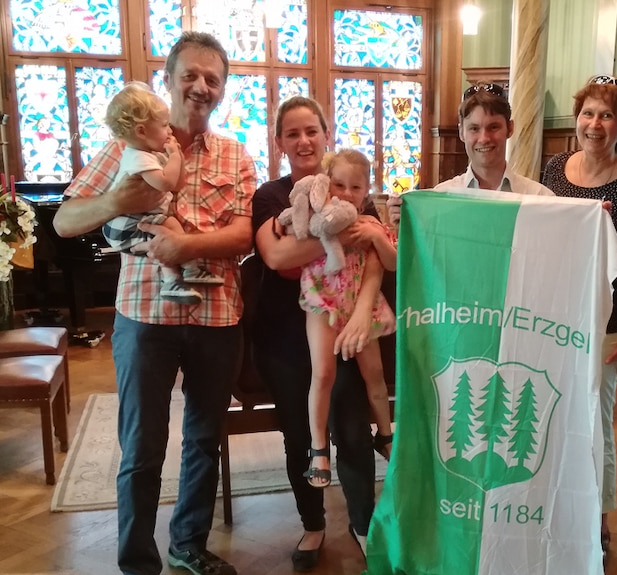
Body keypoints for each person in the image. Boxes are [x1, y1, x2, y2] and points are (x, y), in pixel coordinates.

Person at [53, 31, 256, 575]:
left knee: (204, 438)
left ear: (222, 91)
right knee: (142, 445)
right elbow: (65, 220)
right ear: (167, 81)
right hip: (143, 318)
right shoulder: (125, 148)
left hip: (217, 317)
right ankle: (136, 561)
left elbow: (243, 237)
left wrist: (185, 246)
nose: (200, 86)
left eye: (212, 78)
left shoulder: (236, 155)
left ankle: (187, 544)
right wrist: (120, 196)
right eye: (189, 74)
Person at [251, 96, 382, 571]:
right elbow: (278, 257)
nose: (303, 140)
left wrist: (365, 308)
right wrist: (339, 234)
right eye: (292, 133)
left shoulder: (350, 191)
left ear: (326, 135)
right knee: (299, 434)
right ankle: (313, 523)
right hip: (285, 336)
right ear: (280, 142)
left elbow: (374, 259)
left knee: (352, 426)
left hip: (343, 324)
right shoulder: (272, 195)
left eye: (312, 130)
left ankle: (364, 524)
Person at [541, 74, 617, 559]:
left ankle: (600, 516)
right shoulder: (553, 169)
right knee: (552, 413)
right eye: (588, 113)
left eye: (606, 115)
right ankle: (554, 504)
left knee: (596, 421)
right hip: (553, 318)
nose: (594, 124)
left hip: (605, 322)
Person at [285, 149, 397, 488]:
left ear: (366, 191)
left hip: (360, 305)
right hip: (323, 300)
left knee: (375, 374)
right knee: (323, 373)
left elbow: (393, 263)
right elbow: (292, 237)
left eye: (356, 187)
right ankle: (318, 448)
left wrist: (378, 236)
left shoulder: (370, 224)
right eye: (339, 185)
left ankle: (386, 433)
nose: (346, 193)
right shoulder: (320, 221)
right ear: (325, 184)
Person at [101, 81, 224, 305]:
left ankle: (189, 269)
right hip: (125, 226)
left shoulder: (151, 154)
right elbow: (165, 183)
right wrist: (176, 156)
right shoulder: (137, 156)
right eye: (164, 125)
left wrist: (174, 157)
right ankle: (171, 281)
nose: (169, 131)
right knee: (165, 237)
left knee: (172, 228)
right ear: (141, 131)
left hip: (140, 219)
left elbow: (178, 184)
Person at [386, 82, 553, 224]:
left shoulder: (541, 199)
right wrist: (406, 223)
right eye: (474, 128)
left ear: (510, 128)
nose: (484, 138)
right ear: (461, 133)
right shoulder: (441, 199)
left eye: (493, 127)